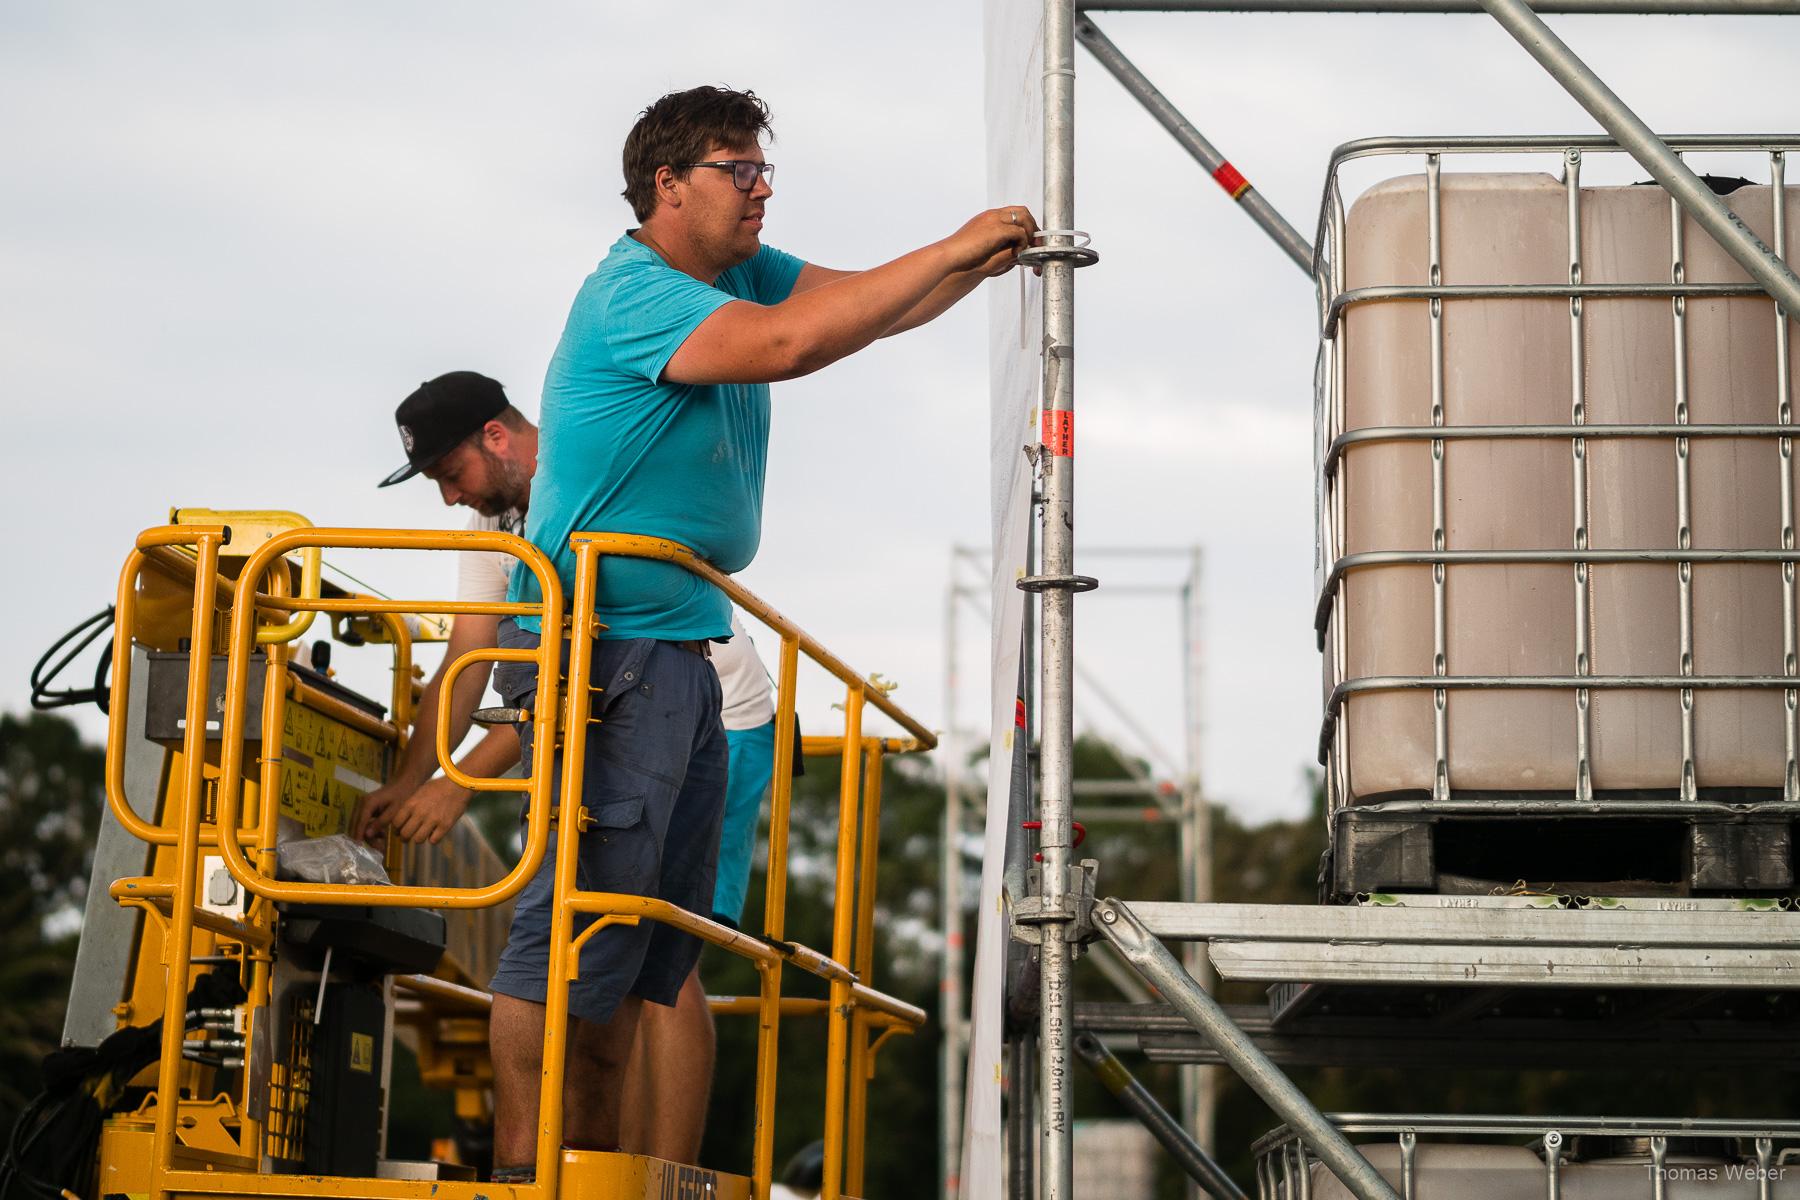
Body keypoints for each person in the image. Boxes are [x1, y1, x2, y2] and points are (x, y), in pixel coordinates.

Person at [485, 83, 1037, 1178]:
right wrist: (956, 243)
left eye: (762, 169)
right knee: (575, 940)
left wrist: (983, 261)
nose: (760, 189)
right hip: (606, 653)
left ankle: (639, 1175)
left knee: (657, 953)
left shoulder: (733, 272)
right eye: (738, 170)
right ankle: (528, 1168)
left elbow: (862, 311)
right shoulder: (634, 292)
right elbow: (789, 344)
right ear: (667, 185)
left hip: (678, 646)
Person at [355, 369, 779, 1163]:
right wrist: (410, 781)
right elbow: (471, 655)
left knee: (664, 956)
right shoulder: (496, 526)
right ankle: (597, 1161)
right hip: (607, 708)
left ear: (497, 437)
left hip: (706, 704)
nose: (449, 499)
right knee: (603, 947)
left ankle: (666, 1174)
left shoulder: (583, 484)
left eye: (451, 476)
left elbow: (582, 670)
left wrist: (455, 788)